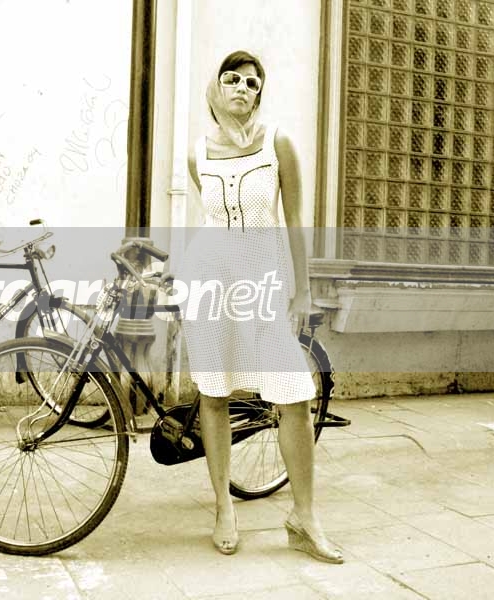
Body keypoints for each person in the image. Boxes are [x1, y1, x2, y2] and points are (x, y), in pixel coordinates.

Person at [179, 50, 343, 563]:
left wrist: (302, 291)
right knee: (214, 391)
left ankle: (305, 518)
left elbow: (293, 221)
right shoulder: (197, 154)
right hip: (210, 282)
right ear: (217, 87)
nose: (243, 88)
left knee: (292, 394)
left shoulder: (277, 143)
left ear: (258, 96)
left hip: (265, 282)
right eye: (233, 79)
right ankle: (224, 507)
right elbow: (212, 224)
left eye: (253, 83)